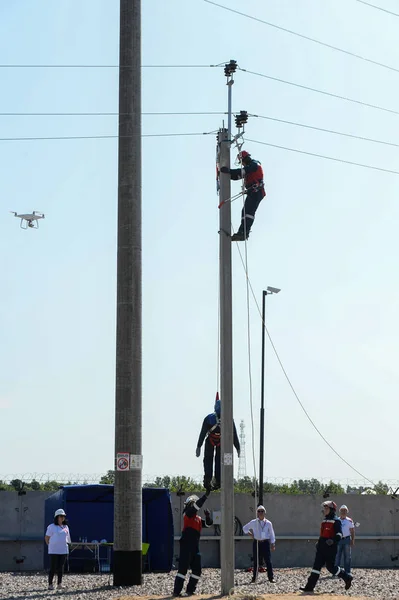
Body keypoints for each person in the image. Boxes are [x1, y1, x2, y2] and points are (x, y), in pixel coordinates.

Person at [300, 500, 353, 593]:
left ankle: (347, 577)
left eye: (326, 508)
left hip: (330, 548)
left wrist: (333, 540)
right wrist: (319, 542)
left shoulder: (336, 521)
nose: (324, 509)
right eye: (324, 508)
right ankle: (309, 587)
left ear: (332, 509)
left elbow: (339, 534)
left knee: (331, 568)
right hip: (321, 547)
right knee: (316, 567)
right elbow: (323, 534)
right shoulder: (324, 520)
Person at [195, 396, 240, 492]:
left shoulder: (212, 418)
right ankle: (210, 480)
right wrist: (199, 445)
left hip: (218, 441)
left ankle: (215, 480)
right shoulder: (220, 419)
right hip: (213, 441)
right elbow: (234, 435)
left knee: (215, 460)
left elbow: (234, 435)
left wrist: (238, 447)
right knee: (211, 460)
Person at [173, 492, 213, 597]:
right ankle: (176, 592)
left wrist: (208, 516)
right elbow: (196, 506)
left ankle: (190, 590)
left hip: (195, 546)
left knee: (197, 570)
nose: (193, 505)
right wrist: (205, 496)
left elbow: (209, 524)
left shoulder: (198, 519)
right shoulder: (187, 514)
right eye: (192, 504)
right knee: (183, 569)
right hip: (186, 545)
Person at [220, 150, 266, 241]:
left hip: (257, 192)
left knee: (248, 213)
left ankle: (243, 233)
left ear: (245, 159)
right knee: (245, 212)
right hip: (253, 192)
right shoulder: (250, 167)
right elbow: (237, 176)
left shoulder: (254, 165)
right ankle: (242, 233)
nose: (242, 164)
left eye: (242, 161)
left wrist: (230, 171)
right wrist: (227, 174)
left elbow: (242, 172)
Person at [243, 505, 276, 583]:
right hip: (257, 542)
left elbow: (271, 533)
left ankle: (271, 577)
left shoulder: (268, 523)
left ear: (265, 512)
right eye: (259, 511)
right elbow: (245, 528)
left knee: (268, 560)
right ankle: (254, 578)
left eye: (262, 511)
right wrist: (250, 534)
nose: (260, 513)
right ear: (257, 513)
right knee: (256, 561)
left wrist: (273, 543)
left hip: (265, 542)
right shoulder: (254, 522)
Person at [45, 508, 71, 590]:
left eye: (63, 516)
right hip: (54, 551)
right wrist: (51, 545)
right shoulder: (51, 527)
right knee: (53, 567)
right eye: (61, 516)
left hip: (63, 550)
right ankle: (50, 584)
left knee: (61, 567)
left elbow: (68, 538)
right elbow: (47, 538)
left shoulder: (66, 527)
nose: (62, 518)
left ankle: (59, 584)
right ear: (57, 517)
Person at [335, 504, 355, 575]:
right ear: (339, 511)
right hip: (338, 540)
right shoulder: (336, 520)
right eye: (342, 510)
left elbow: (352, 531)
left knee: (347, 557)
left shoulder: (349, 520)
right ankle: (336, 572)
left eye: (345, 511)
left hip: (347, 540)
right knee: (337, 556)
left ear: (347, 512)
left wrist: (352, 540)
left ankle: (347, 572)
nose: (343, 512)